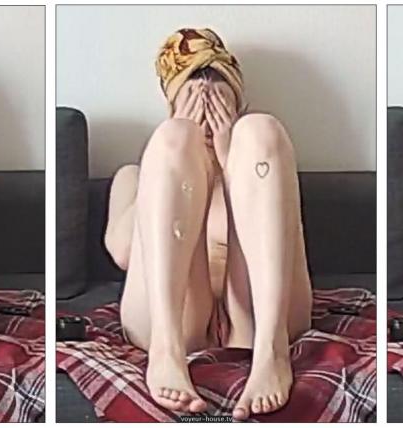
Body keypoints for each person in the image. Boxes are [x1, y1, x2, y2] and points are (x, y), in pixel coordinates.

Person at [103, 28, 314, 420]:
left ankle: (271, 352)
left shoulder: (262, 169)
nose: (206, 119)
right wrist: (173, 154)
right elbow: (123, 252)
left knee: (263, 130)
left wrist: (231, 163)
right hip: (175, 314)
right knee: (173, 140)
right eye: (194, 105)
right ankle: (166, 353)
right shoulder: (135, 175)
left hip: (257, 314)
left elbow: (285, 240)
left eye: (217, 107)